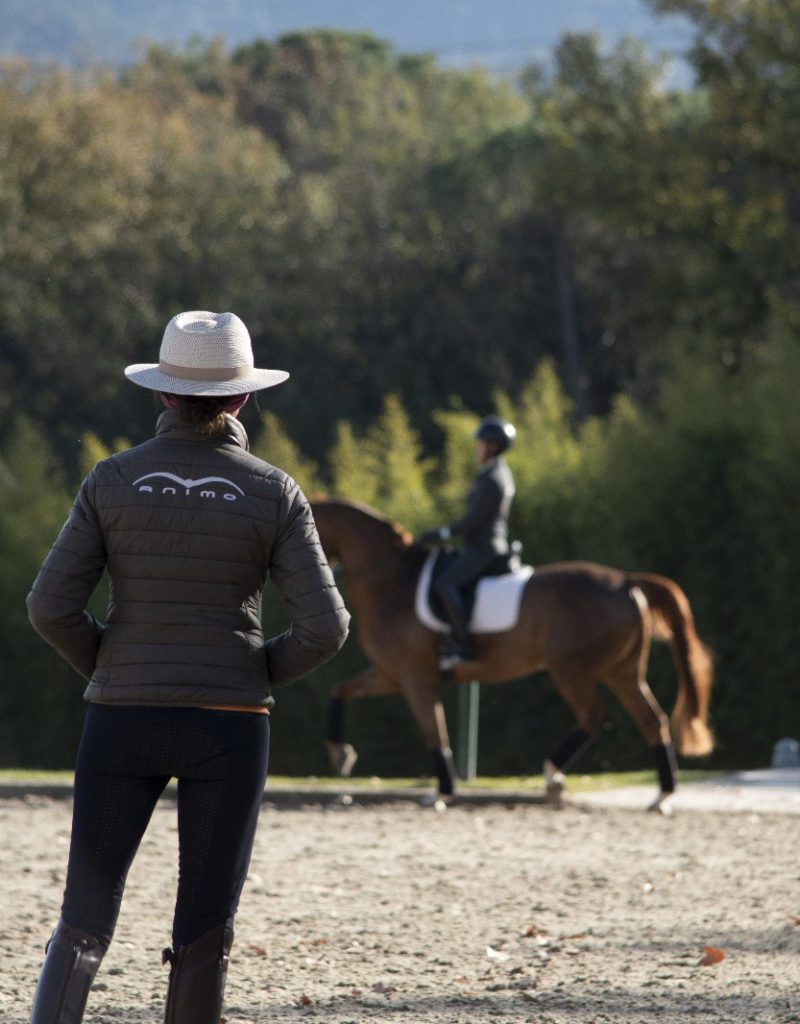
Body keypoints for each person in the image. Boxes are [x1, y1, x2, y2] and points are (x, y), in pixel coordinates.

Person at [26, 310, 350, 1024]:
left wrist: (110, 663)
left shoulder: (110, 481)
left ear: (164, 395)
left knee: (83, 915)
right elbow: (328, 628)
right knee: (205, 930)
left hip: (121, 719)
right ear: (242, 398)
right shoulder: (276, 492)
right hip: (229, 727)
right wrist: (255, 672)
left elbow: (49, 607)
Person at [420, 415, 516, 670]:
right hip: (482, 545)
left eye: (481, 443)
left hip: (485, 547)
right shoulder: (495, 473)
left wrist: (441, 533)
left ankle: (464, 645)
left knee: (446, 583)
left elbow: (473, 522)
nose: (477, 447)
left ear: (492, 446)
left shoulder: (493, 478)